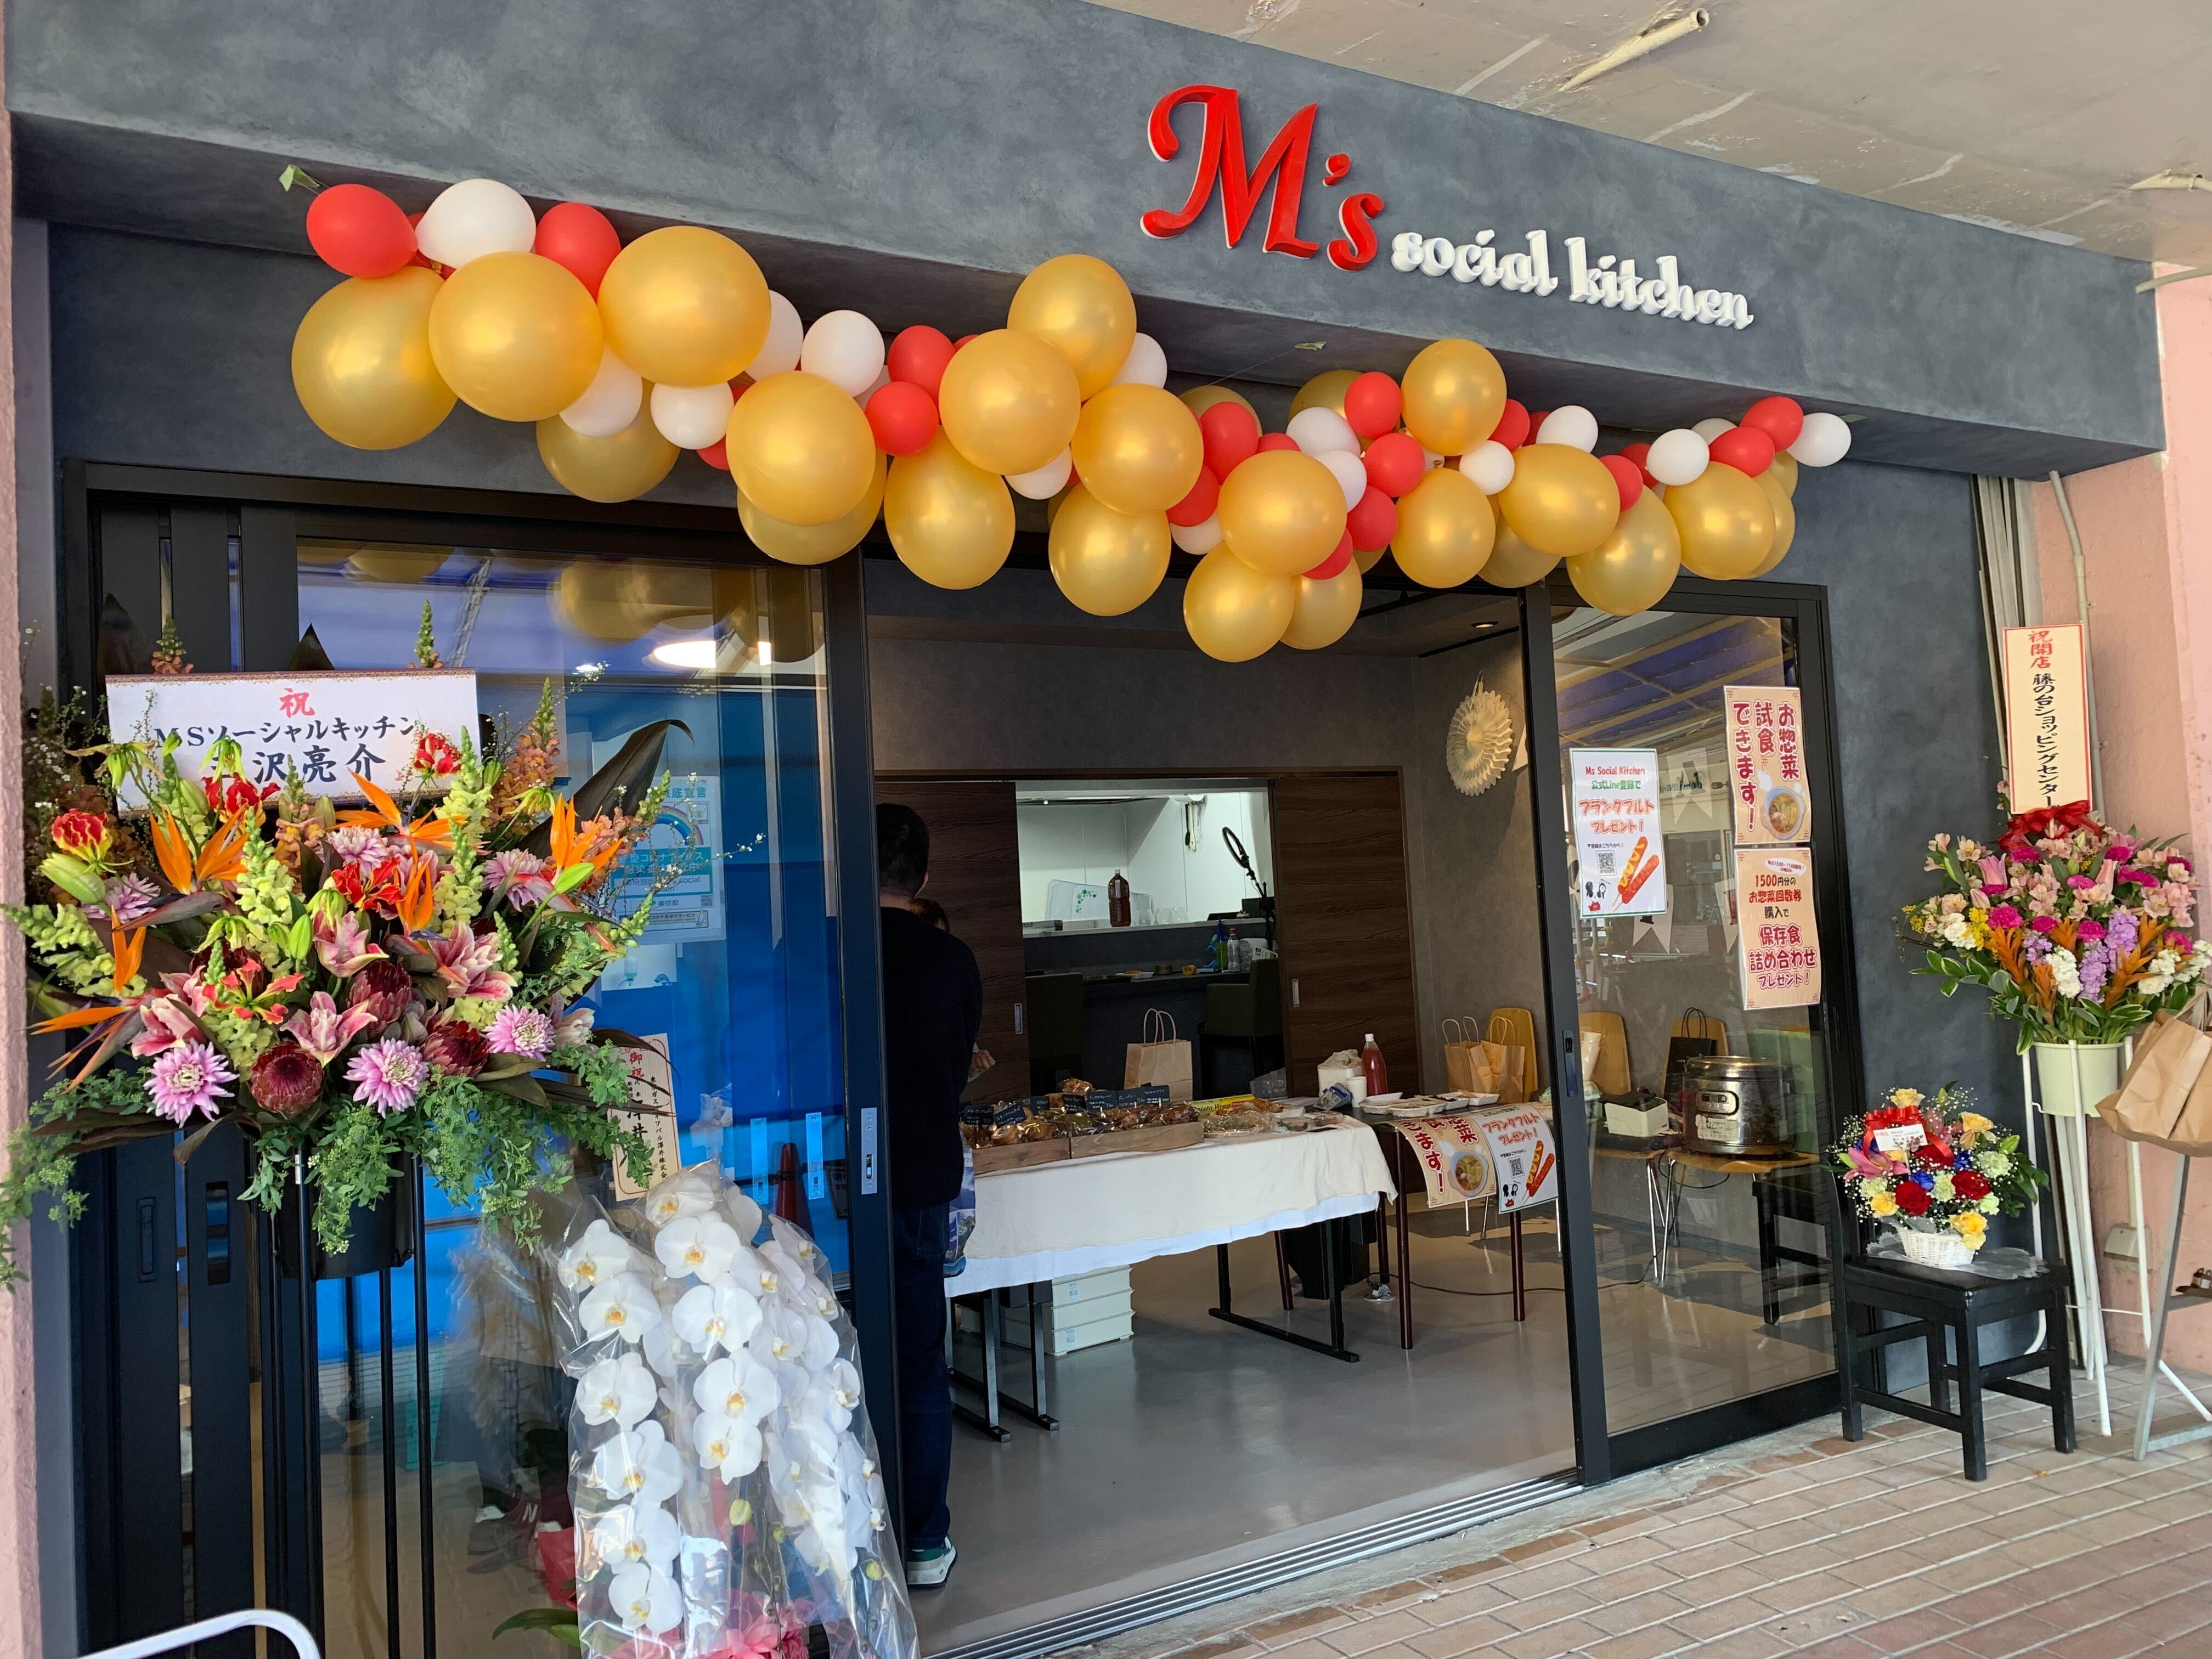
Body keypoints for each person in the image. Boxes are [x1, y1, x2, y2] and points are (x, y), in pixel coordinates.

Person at [876, 803, 981, 1588]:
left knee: (823, 1358)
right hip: (921, 1178)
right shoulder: (951, 960)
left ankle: (846, 1542)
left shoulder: (819, 949)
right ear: (923, 878)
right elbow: (955, 1070)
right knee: (919, 1365)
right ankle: (923, 1543)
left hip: (829, 1180)